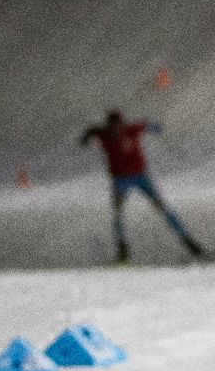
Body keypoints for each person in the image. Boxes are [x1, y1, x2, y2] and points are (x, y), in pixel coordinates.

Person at [79, 110, 208, 264]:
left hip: (141, 177)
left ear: (122, 124)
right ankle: (122, 249)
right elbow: (92, 130)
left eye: (118, 125)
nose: (116, 129)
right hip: (120, 179)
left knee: (162, 207)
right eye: (113, 126)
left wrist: (158, 128)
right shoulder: (103, 133)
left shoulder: (131, 130)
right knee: (118, 212)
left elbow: (147, 125)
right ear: (109, 125)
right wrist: (85, 138)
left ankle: (188, 240)